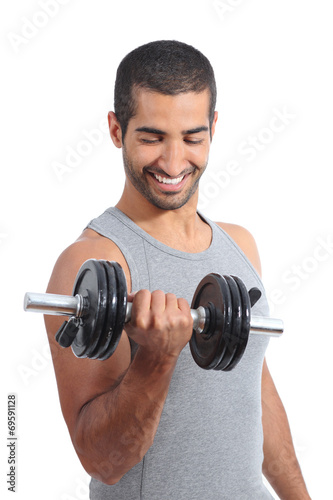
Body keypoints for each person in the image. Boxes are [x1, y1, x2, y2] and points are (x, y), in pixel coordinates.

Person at [45, 40, 311, 499]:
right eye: (151, 138)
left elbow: (255, 392)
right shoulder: (92, 262)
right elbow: (103, 461)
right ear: (115, 130)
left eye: (192, 138)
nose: (173, 163)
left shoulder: (240, 246)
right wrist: (158, 355)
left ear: (213, 128)